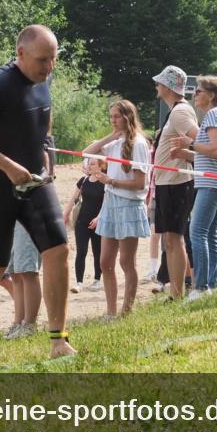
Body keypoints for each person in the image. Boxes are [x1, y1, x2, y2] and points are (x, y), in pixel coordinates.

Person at [0, 24, 73, 367]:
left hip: (34, 179)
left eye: (53, 59)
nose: (48, 67)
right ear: (20, 53)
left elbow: (40, 125)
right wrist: (7, 166)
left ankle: (58, 339)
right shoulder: (0, 84)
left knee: (59, 248)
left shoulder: (42, 80)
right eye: (41, 60)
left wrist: (45, 156)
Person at [170, 76, 217, 300]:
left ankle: (201, 287)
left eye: (199, 91)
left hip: (213, 182)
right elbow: (211, 152)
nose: (194, 95)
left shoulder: (215, 114)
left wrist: (189, 144)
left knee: (197, 232)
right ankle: (211, 285)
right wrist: (186, 153)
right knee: (208, 234)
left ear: (212, 95)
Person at [84, 100, 151, 317]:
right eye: (111, 116)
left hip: (129, 204)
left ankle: (126, 311)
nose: (113, 120)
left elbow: (140, 183)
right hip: (111, 202)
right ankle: (111, 312)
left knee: (126, 261)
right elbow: (87, 152)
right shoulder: (114, 143)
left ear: (128, 117)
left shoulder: (138, 144)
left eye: (117, 116)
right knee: (105, 262)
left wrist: (110, 180)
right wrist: (111, 136)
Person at [151, 65, 198, 300]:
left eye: (159, 82)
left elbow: (202, 139)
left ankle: (178, 293)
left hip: (177, 183)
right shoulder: (175, 111)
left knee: (174, 238)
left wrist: (187, 151)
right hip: (167, 182)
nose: (156, 86)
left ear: (169, 86)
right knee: (169, 239)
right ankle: (177, 290)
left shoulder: (180, 112)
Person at [65, 157, 105, 293]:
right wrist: (65, 214)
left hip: (98, 223)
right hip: (81, 222)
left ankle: (97, 280)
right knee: (81, 251)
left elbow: (106, 204)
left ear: (101, 166)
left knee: (97, 251)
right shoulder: (83, 180)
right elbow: (73, 199)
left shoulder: (105, 182)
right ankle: (79, 282)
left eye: (93, 164)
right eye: (89, 163)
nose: (89, 166)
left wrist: (99, 218)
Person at [3, 223, 43, 338]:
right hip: (10, 217)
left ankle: (29, 325)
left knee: (27, 270)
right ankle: (18, 323)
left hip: (26, 216)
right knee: (14, 272)